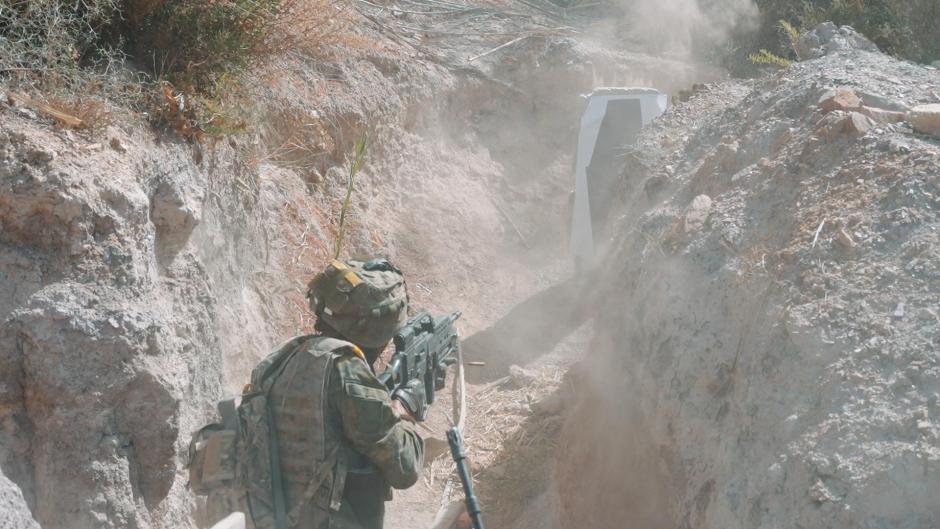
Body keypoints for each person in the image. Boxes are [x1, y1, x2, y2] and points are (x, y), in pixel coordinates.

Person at [259, 257, 424, 529]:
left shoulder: (283, 356)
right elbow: (405, 469)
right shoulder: (347, 373)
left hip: (269, 515)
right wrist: (403, 413)